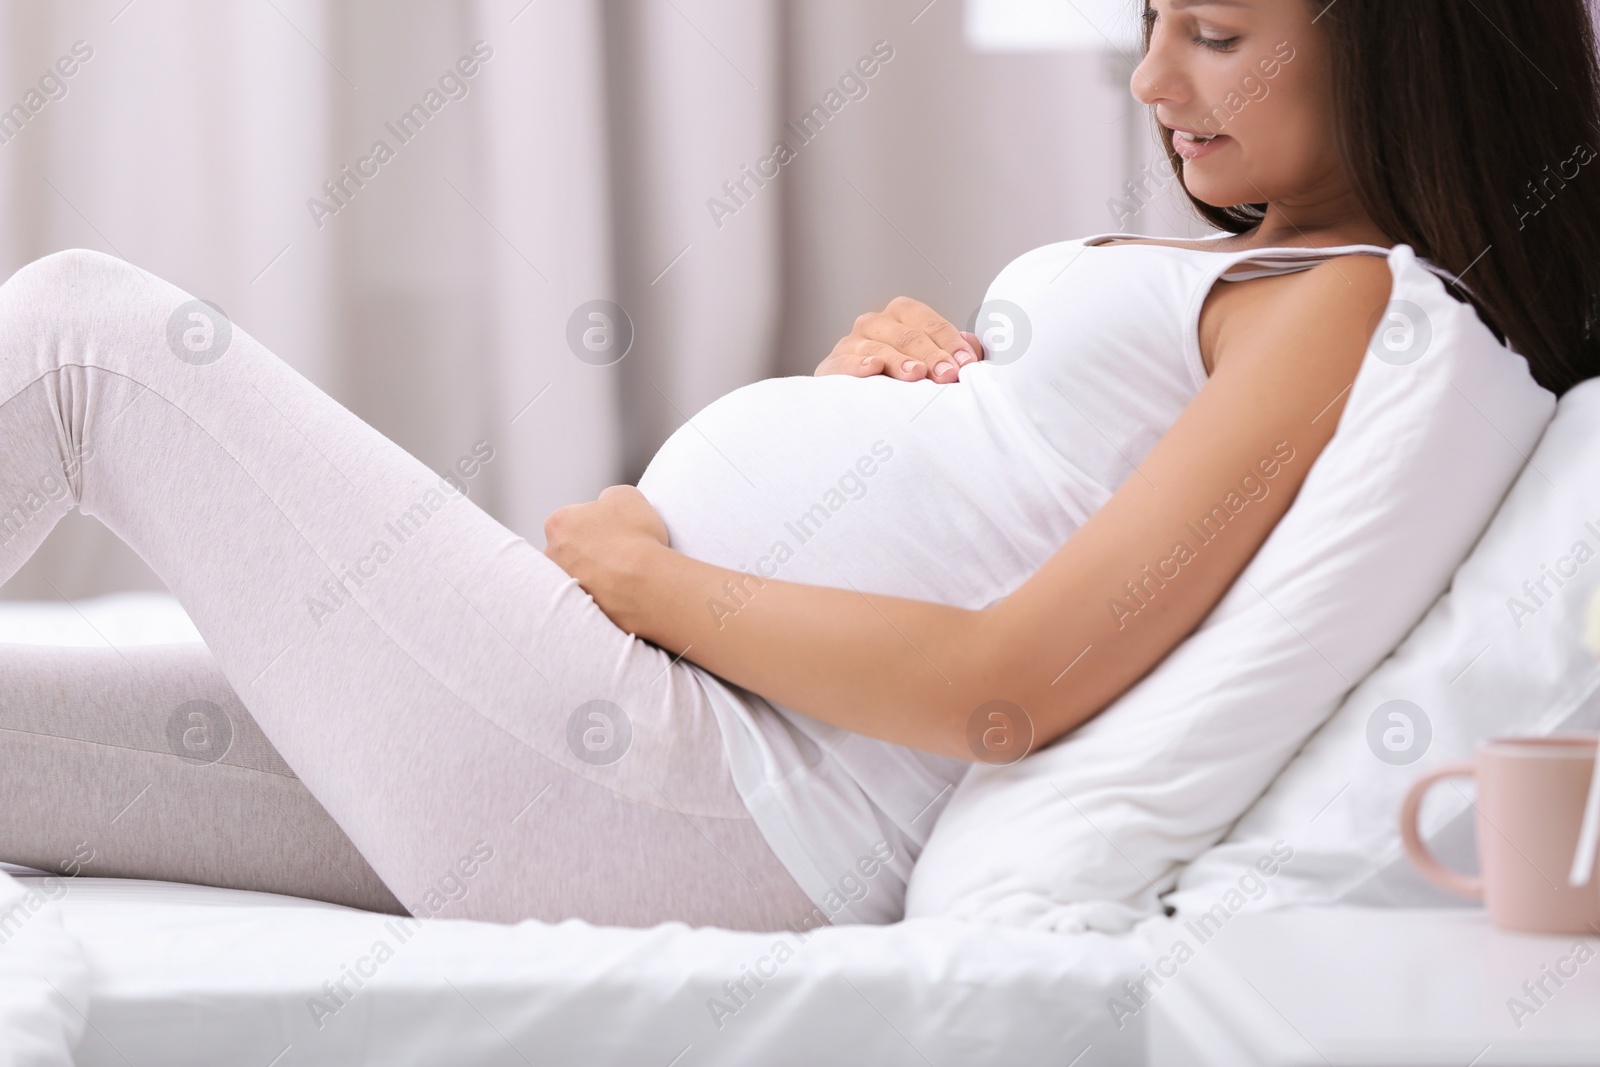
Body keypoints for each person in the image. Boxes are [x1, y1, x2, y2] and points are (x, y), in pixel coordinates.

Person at [1, 0, 1596, 933]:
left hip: (703, 782)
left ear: (1403, 45)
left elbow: (1008, 684)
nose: (1152, 79)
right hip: (644, 752)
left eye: (1219, 33)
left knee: (88, 339)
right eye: (1157, 18)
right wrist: (889, 415)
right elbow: (1044, 526)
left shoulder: (1353, 305)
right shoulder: (1275, 287)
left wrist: (654, 580)